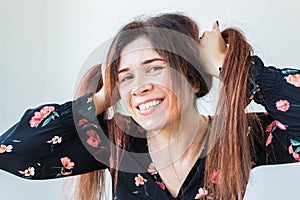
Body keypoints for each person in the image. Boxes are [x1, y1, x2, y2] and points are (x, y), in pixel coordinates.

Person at [0, 13, 299, 200]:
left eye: (155, 68)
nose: (139, 85)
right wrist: (103, 99)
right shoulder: (115, 141)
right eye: (126, 76)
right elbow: (13, 153)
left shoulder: (237, 134)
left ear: (194, 78)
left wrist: (229, 67)